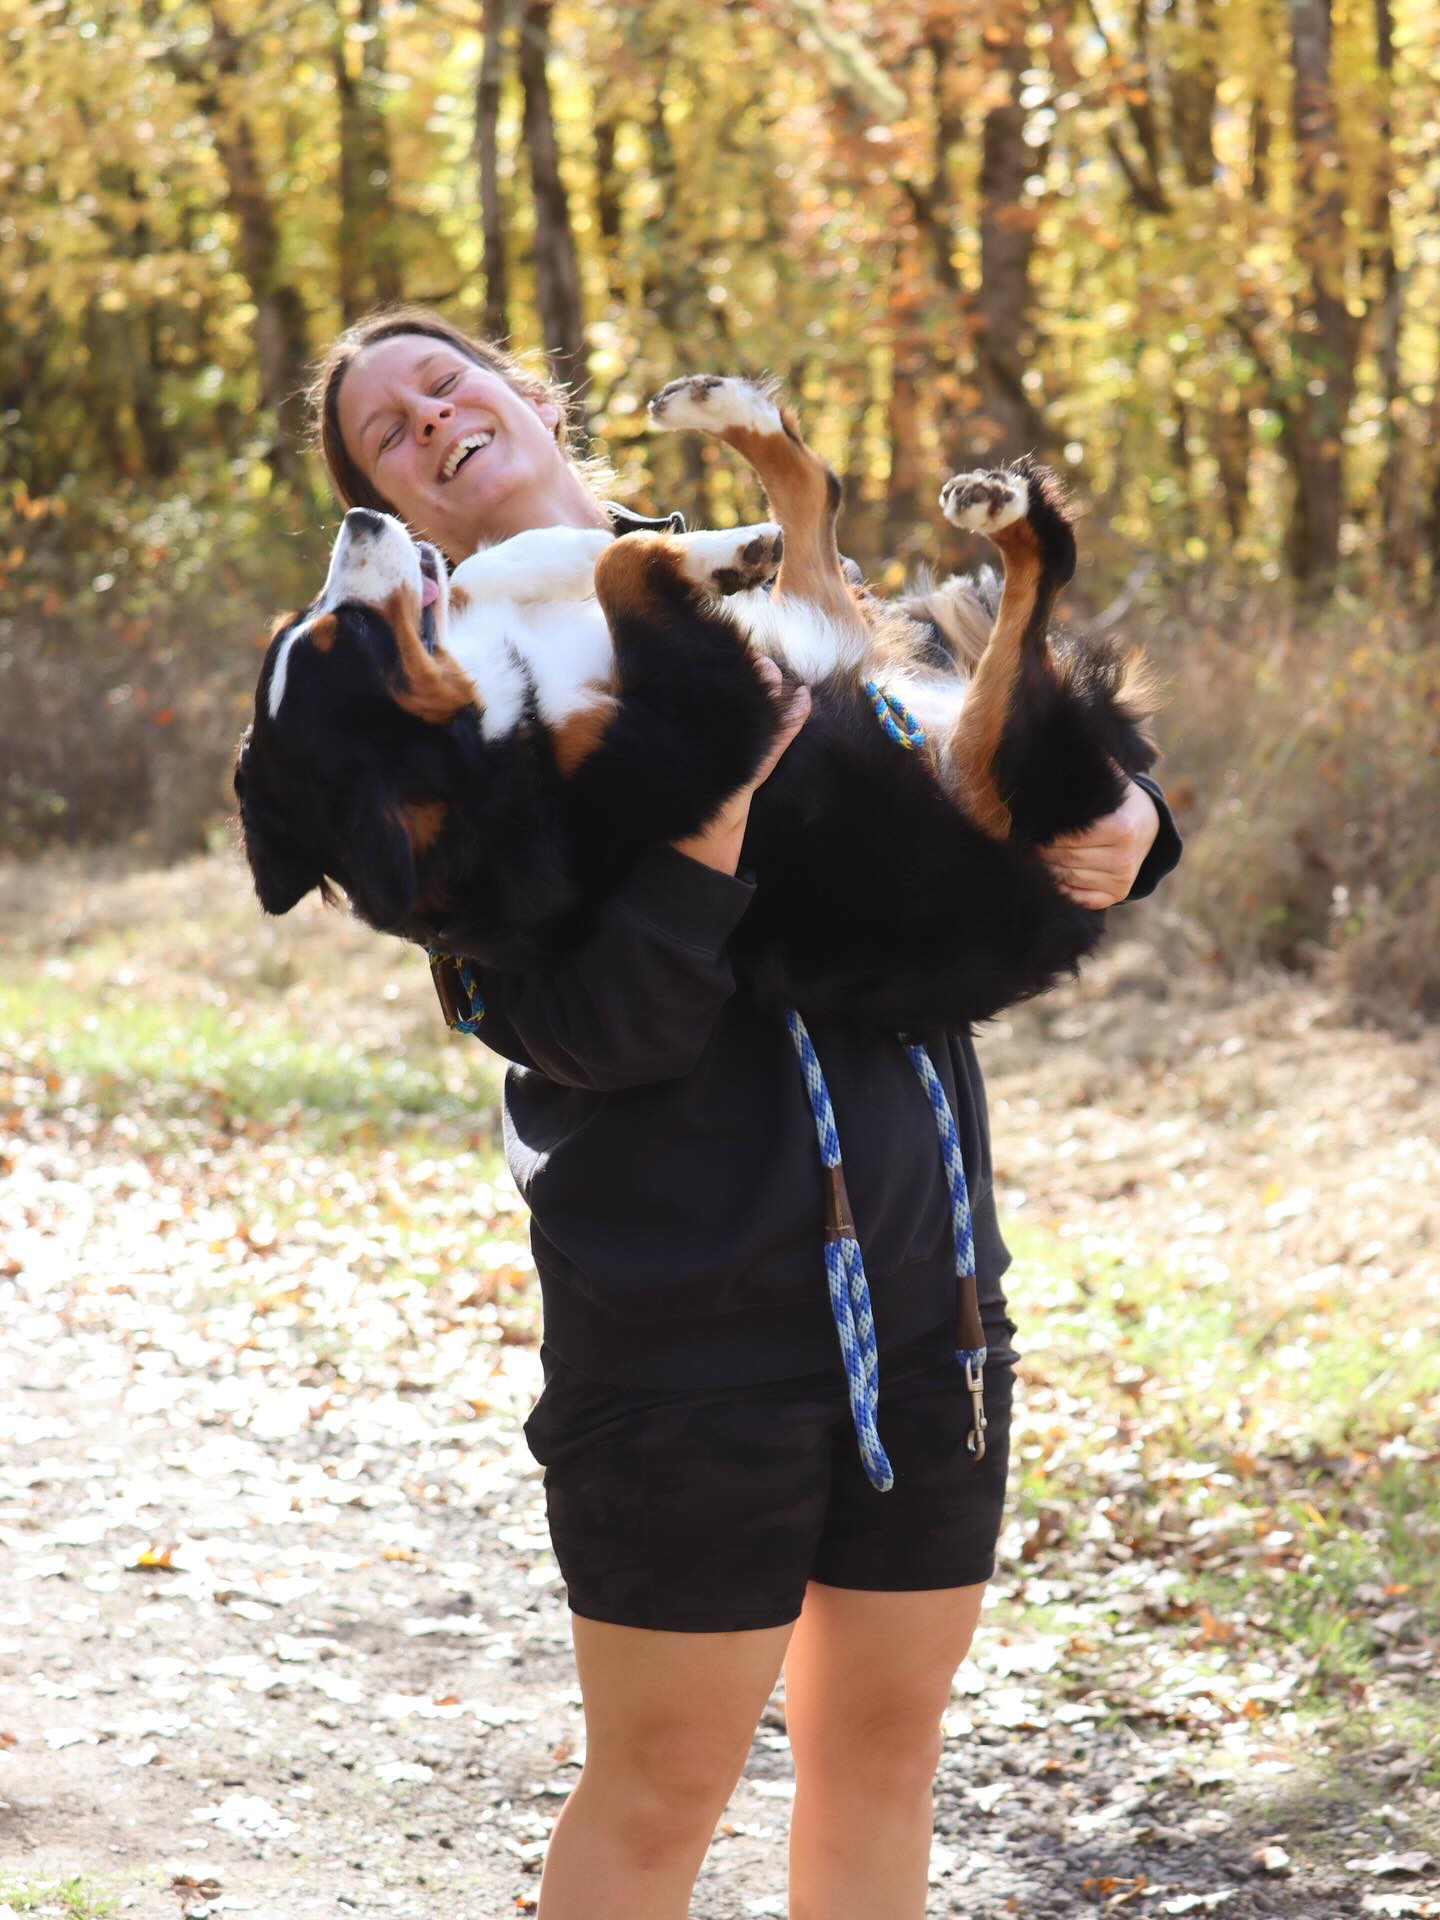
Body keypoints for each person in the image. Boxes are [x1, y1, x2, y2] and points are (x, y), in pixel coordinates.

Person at [309, 306, 1181, 1920]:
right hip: (685, 1341)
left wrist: (1134, 819)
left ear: (526, 396)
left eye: (446, 383)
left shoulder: (750, 580)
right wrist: (706, 814)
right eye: (385, 432)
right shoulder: (435, 710)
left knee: (886, 1753)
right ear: (402, 509)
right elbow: (597, 1033)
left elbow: (958, 767)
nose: (428, 421)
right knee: (659, 1799)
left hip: (928, 1298)